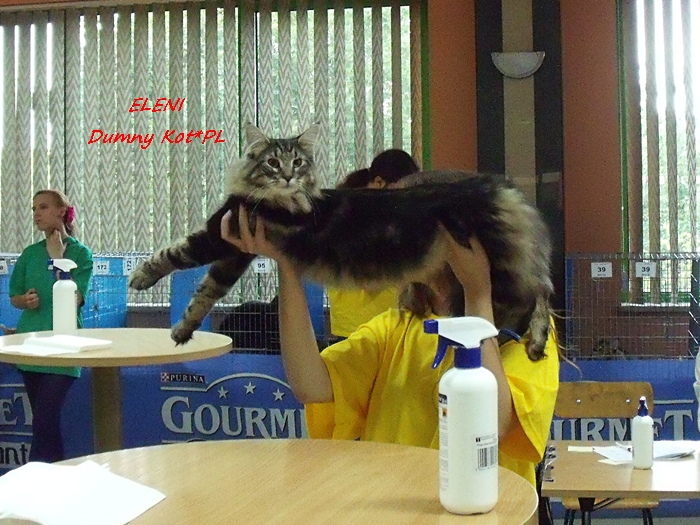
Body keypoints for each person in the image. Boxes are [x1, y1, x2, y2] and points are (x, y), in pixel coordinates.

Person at [221, 206, 560, 487]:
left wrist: (477, 293)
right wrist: (288, 265)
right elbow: (310, 385)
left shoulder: (529, 336)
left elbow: (490, 425)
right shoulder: (396, 327)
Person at [9, 189, 93, 462]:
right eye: (34, 209)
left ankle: (34, 477)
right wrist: (25, 300)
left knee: (44, 419)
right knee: (45, 424)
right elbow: (14, 297)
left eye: (43, 207)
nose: (37, 214)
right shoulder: (30, 254)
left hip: (63, 350)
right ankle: (55, 475)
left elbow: (74, 299)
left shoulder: (81, 254)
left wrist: (58, 259)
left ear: (61, 211)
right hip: (31, 347)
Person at [328, 149, 420, 339]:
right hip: (359, 327)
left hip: (385, 325)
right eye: (401, 191)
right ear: (379, 183)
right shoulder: (353, 215)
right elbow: (370, 278)